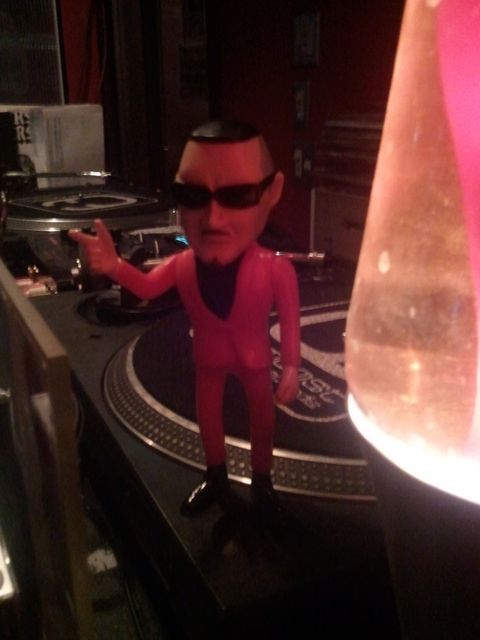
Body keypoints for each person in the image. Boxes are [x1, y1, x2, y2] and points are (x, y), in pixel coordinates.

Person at [69, 120, 300, 517]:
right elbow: (146, 288)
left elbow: (292, 320)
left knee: (262, 421)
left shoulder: (276, 269)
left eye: (238, 195)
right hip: (208, 358)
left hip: (255, 361)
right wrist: (114, 266)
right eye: (193, 196)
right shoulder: (182, 265)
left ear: (272, 192)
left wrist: (292, 365)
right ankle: (216, 476)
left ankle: (263, 483)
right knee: (207, 417)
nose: (213, 219)